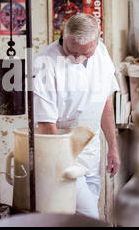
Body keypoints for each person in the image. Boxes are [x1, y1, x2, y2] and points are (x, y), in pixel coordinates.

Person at [33, 13, 121, 219]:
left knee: (82, 219)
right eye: (71, 51)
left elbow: (105, 103)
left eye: (85, 53)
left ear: (96, 42)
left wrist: (113, 147)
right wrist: (64, 167)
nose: (77, 58)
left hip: (91, 152)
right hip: (63, 156)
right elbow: (46, 125)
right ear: (64, 35)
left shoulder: (101, 53)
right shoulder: (44, 63)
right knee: (89, 219)